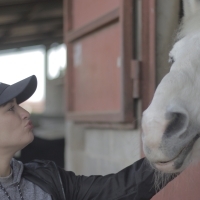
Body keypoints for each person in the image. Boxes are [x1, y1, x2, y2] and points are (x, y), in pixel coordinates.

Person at [0, 75, 174, 200]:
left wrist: (175, 145)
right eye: (11, 109)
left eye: (19, 105)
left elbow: (120, 189)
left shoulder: (47, 177)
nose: (25, 113)